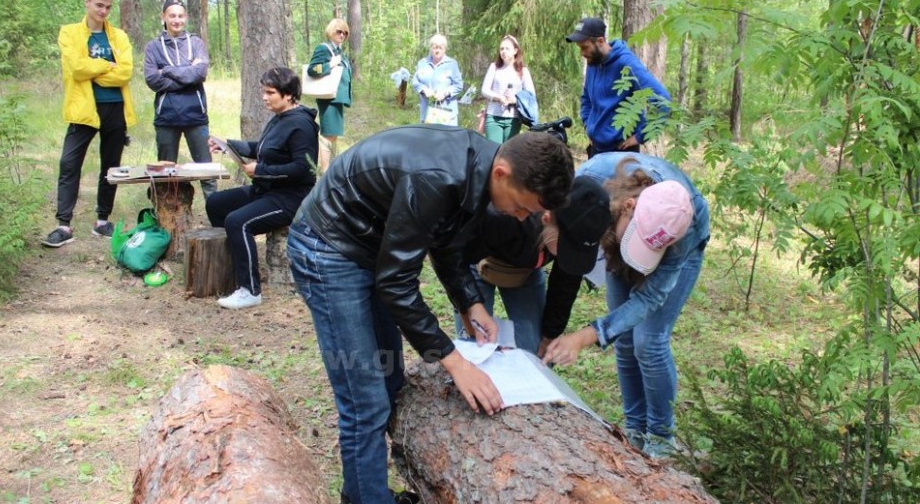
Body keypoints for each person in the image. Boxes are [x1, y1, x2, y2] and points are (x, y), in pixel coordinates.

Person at [287, 129, 573, 504]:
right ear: (502, 172)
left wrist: (471, 303)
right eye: (524, 207)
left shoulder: (477, 171)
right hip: (328, 250)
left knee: (388, 377)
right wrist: (455, 362)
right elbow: (397, 285)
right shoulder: (438, 178)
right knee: (364, 400)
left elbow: (444, 240)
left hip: (373, 249)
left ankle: (362, 491)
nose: (522, 218)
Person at [542, 153, 710, 459]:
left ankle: (660, 441)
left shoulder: (680, 232)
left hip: (677, 247)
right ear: (629, 207)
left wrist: (585, 336)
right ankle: (634, 433)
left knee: (649, 341)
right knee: (626, 341)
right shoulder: (591, 181)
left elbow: (648, 299)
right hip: (616, 233)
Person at [455, 176, 611, 354]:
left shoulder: (574, 234)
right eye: (567, 248)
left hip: (526, 273)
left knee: (533, 346)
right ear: (547, 217)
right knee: (474, 345)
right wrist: (468, 308)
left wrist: (549, 335)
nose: (569, 256)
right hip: (478, 262)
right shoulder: (504, 217)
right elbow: (455, 262)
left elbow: (565, 286)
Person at [205, 67, 318, 310]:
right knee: (215, 203)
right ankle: (231, 269)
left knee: (238, 221)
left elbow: (304, 168)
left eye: (270, 92)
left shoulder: (301, 125)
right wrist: (227, 145)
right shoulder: (279, 118)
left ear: (288, 95)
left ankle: (250, 290)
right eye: (263, 91)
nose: (264, 97)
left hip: (291, 198)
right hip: (266, 190)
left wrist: (261, 170)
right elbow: (264, 148)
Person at [43, 0, 135, 248]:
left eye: (108, 7)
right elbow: (77, 68)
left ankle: (102, 221)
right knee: (69, 164)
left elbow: (125, 73)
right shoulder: (69, 33)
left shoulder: (119, 37)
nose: (103, 11)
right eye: (99, 5)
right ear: (87, 3)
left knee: (111, 165)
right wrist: (107, 65)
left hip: (115, 107)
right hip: (83, 109)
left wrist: (95, 70)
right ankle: (63, 225)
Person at [143, 0, 216, 201]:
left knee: (206, 171)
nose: (176, 20)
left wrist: (166, 70)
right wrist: (186, 73)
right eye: (172, 15)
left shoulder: (196, 43)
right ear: (163, 17)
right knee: (165, 173)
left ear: (186, 18)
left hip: (195, 115)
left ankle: (216, 216)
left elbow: (199, 74)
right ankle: (164, 222)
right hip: (166, 117)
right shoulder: (153, 47)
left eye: (181, 16)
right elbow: (152, 80)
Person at [565, 17, 671, 157]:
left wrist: (640, 136)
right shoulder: (593, 63)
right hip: (596, 149)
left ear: (600, 41)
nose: (582, 53)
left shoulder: (627, 64)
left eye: (585, 47)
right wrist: (589, 127)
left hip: (621, 153)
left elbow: (663, 101)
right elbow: (586, 99)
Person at [306, 18, 352, 172]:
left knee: (334, 134)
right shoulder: (324, 49)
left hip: (337, 98)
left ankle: (330, 168)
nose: (342, 35)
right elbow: (312, 69)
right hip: (329, 98)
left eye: (345, 32)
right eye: (339, 31)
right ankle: (325, 171)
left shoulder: (339, 51)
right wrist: (330, 64)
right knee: (328, 134)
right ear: (331, 31)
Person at [480, 35, 535, 144]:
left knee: (508, 153)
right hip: (493, 117)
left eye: (507, 48)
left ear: (515, 51)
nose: (503, 52)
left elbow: (531, 94)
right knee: (494, 152)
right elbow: (484, 90)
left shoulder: (523, 71)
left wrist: (515, 99)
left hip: (513, 118)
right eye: (501, 49)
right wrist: (498, 97)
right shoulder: (494, 67)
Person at [411, 34, 463, 125]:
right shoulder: (422, 63)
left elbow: (458, 85)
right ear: (430, 48)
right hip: (427, 112)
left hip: (447, 114)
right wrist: (424, 89)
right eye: (435, 47)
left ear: (445, 49)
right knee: (428, 138)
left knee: (448, 139)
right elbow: (415, 82)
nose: (437, 50)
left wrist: (445, 93)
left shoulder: (452, 64)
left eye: (440, 48)